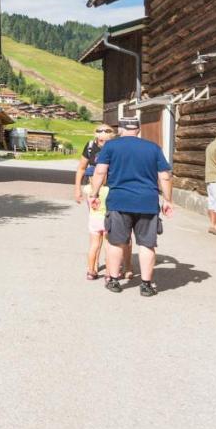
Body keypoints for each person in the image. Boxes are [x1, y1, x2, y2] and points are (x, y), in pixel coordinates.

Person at [89, 117, 173, 297]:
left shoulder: (110, 147)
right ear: (138, 130)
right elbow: (164, 176)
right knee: (147, 244)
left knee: (116, 241)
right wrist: (167, 200)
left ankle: (113, 280)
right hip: (148, 202)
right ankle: (146, 284)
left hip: (119, 201)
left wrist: (93, 195)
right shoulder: (153, 148)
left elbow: (100, 171)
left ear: (120, 129)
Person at [74, 124, 114, 279]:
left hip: (111, 191)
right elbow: (81, 168)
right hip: (93, 192)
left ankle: (110, 267)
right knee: (97, 230)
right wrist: (77, 188)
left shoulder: (115, 147)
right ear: (95, 133)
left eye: (107, 131)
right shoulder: (90, 147)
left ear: (113, 134)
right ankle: (94, 266)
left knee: (109, 234)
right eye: (99, 130)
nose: (102, 133)